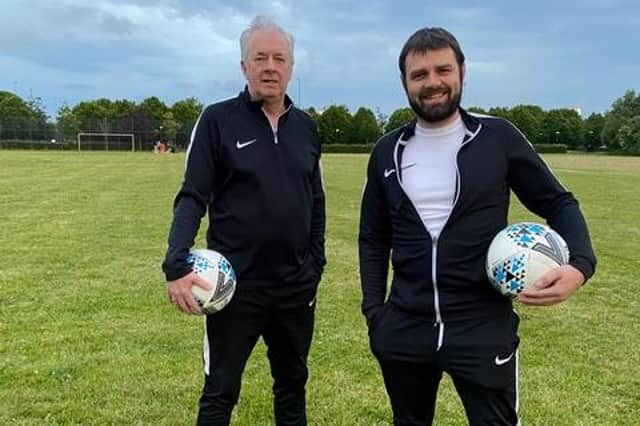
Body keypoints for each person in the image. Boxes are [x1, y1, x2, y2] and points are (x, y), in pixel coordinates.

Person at [359, 27, 596, 425]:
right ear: (404, 82)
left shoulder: (498, 138)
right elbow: (373, 236)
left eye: (442, 70)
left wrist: (581, 265)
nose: (432, 83)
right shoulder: (387, 150)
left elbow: (557, 201)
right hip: (405, 328)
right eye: (419, 75)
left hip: (482, 326)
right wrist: (374, 314)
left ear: (462, 72)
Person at [162, 16, 325, 426]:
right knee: (220, 389)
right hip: (234, 287)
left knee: (292, 384)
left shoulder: (306, 128)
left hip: (295, 287)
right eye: (260, 57)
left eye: (279, 58)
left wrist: (315, 264)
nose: (270, 66)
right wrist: (175, 261)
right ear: (244, 67)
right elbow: (192, 195)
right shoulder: (218, 120)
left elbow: (316, 200)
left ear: (291, 67)